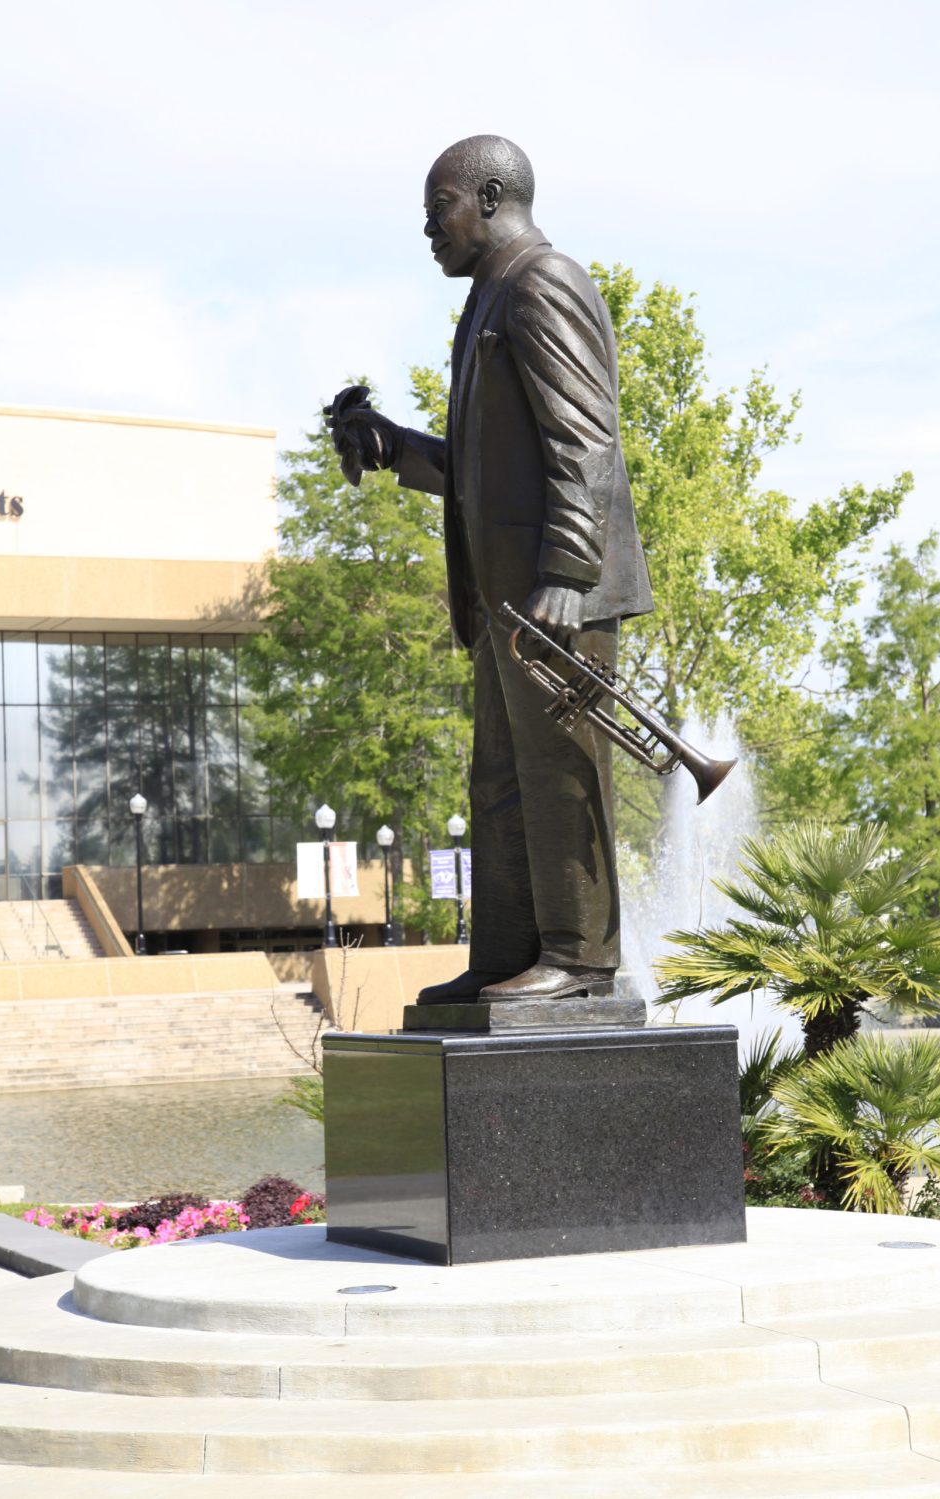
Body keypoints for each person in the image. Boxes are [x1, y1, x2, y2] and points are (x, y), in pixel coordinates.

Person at [328, 135, 651, 1004]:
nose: (428, 229)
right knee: (503, 781)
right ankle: (508, 956)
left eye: (439, 208)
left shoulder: (543, 282)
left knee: (558, 776)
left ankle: (581, 962)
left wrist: (567, 571)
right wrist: (391, 446)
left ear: (493, 195)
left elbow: (587, 443)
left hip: (555, 597)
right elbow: (474, 477)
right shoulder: (484, 304)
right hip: (511, 602)